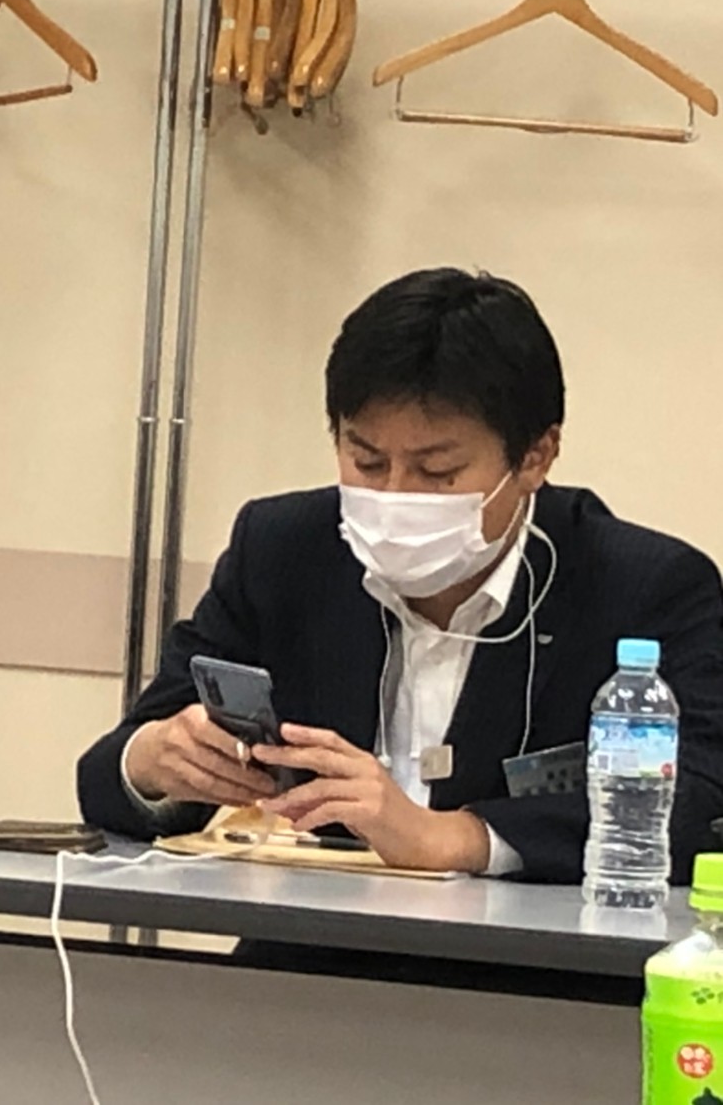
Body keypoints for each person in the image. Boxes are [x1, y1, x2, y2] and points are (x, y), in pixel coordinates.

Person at [78, 268, 723, 883]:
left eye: (437, 472)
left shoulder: (646, 587)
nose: (394, 496)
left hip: (526, 955)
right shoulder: (283, 550)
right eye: (366, 461)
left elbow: (696, 799)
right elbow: (110, 775)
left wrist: (455, 838)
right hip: (305, 945)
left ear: (535, 457)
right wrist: (154, 761)